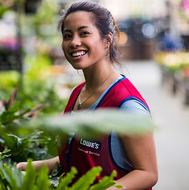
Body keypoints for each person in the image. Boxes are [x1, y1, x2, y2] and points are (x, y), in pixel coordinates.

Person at [17, 1, 158, 189]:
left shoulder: (126, 104)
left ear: (107, 40)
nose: (74, 42)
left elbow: (148, 173)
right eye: (68, 35)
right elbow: (74, 159)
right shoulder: (77, 93)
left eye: (84, 33)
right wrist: (30, 167)